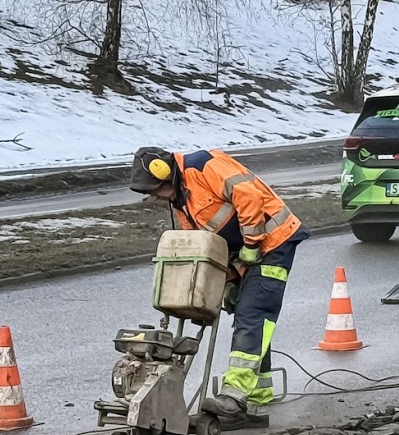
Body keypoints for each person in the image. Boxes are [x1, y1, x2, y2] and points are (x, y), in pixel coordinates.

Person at [128, 146, 308, 420]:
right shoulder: (180, 201)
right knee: (246, 315)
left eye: (154, 190)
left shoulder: (204, 165)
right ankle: (257, 400)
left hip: (273, 243)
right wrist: (221, 283)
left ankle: (235, 396)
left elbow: (248, 196)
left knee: (254, 313)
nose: (153, 198)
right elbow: (202, 247)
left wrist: (251, 242)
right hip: (243, 257)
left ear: (165, 174)